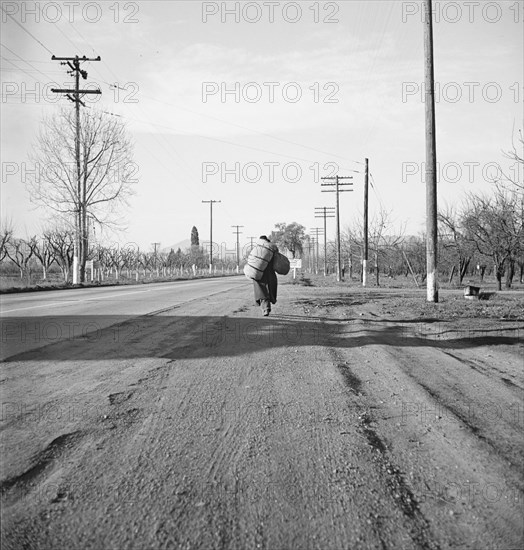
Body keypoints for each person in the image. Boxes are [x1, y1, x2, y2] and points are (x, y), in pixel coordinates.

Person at [253, 235, 278, 316]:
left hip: (259, 272)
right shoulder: (273, 247)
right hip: (270, 272)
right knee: (269, 289)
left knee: (262, 290)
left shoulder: (257, 248)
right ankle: (267, 308)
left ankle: (266, 309)